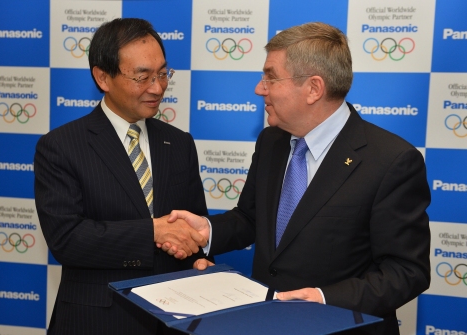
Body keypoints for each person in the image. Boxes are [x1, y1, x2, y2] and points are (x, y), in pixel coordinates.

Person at [164, 22, 431, 335]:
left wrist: (324, 298)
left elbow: (407, 271)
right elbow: (252, 219)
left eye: (271, 77)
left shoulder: (390, 160)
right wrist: (207, 231)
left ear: (314, 89)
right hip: (266, 325)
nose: (259, 88)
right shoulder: (271, 141)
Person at [34, 18, 208, 335]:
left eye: (162, 74)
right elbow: (66, 240)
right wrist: (151, 232)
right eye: (142, 77)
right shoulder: (61, 146)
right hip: (99, 320)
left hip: (175, 317)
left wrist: (198, 257)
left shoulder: (179, 142)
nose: (157, 87)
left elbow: (193, 224)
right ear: (103, 77)